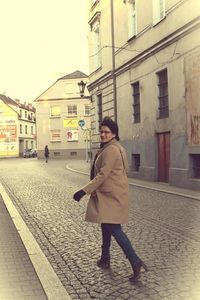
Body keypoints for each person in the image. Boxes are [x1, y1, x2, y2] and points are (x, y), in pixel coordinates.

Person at [73, 116, 148, 282]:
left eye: (106, 132)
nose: (103, 134)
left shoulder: (112, 149)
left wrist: (84, 191)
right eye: (101, 132)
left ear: (114, 133)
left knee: (114, 228)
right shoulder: (115, 148)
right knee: (105, 226)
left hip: (110, 196)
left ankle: (135, 261)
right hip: (112, 194)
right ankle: (105, 258)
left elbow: (103, 173)